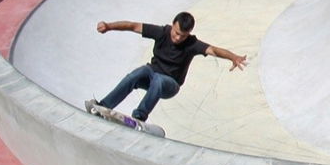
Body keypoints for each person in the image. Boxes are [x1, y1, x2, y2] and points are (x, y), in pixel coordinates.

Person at [85, 11, 246, 123]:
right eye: (175, 33)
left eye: (182, 36)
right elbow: (132, 26)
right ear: (172, 25)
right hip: (151, 76)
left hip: (170, 85)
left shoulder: (192, 44)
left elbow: (214, 50)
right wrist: (109, 26)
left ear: (189, 33)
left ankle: (139, 117)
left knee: (159, 79)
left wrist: (233, 57)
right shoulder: (161, 32)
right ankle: (104, 106)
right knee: (137, 73)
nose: (177, 38)